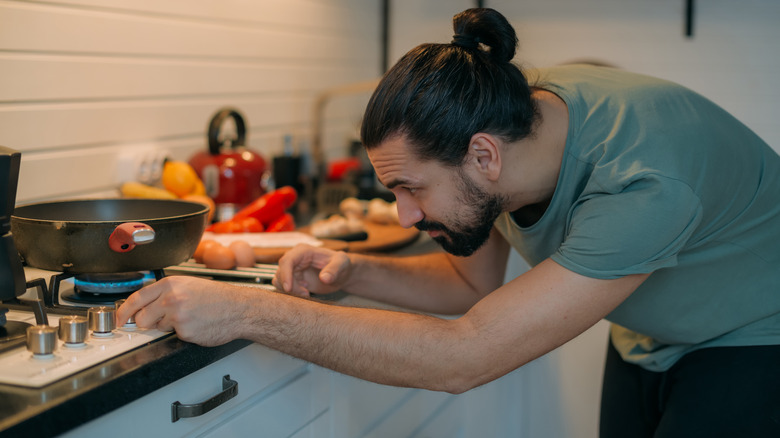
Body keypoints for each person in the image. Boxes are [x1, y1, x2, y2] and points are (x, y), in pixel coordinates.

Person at [117, 8, 780, 437]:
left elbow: (465, 356)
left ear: (483, 156)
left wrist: (246, 312)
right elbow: (472, 287)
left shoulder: (645, 186)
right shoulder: (504, 115)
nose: (404, 214)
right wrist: (357, 271)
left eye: (411, 188)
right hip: (649, 330)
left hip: (753, 336)